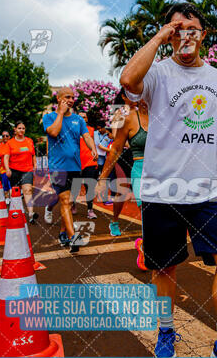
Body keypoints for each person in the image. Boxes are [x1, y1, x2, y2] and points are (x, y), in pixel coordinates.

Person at [120, 2, 217, 358]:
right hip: (162, 191)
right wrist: (162, 35)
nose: (185, 36)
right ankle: (166, 330)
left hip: (209, 191)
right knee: (165, 266)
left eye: (191, 28)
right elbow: (128, 80)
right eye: (177, 30)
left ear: (203, 34)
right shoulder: (157, 74)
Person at [43, 87, 98, 253]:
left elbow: (86, 136)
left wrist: (92, 148)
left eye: (73, 97)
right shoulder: (49, 117)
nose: (71, 99)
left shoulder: (78, 120)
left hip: (75, 167)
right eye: (67, 96)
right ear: (59, 99)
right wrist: (60, 113)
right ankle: (74, 238)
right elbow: (53, 132)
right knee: (66, 201)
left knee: (68, 202)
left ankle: (63, 233)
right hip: (58, 167)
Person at [96, 95, 148, 270]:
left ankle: (147, 243)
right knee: (122, 190)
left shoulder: (148, 110)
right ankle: (115, 221)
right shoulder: (120, 113)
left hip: (141, 157)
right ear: (125, 96)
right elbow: (116, 138)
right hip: (125, 154)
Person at [4, 121, 38, 223]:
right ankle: (15, 212)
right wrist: (7, 169)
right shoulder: (10, 143)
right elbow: (6, 157)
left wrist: (35, 166)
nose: (21, 130)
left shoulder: (29, 141)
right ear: (15, 129)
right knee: (15, 192)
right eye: (19, 128)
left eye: (23, 128)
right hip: (14, 170)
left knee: (28, 190)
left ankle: (31, 214)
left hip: (27, 170)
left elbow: (33, 155)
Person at [71, 112, 98, 219]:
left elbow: (95, 144)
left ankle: (90, 210)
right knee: (75, 187)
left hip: (89, 162)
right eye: (80, 117)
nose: (83, 118)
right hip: (76, 162)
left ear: (87, 119)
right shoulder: (72, 130)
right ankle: (73, 205)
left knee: (90, 186)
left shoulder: (91, 130)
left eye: (84, 117)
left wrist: (95, 152)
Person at [0, 130, 11, 203]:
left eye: (6, 135)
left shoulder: (12, 144)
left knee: (12, 183)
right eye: (3, 136)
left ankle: (13, 196)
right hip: (3, 168)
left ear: (9, 136)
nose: (5, 137)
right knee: (5, 182)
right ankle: (7, 197)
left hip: (13, 167)